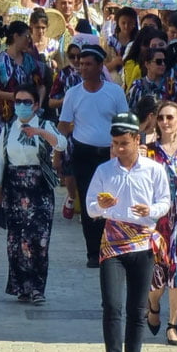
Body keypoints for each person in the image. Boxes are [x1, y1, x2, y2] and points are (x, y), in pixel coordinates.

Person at [86, 112, 170, 352]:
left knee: (137, 308)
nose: (119, 149)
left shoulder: (154, 170)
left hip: (142, 242)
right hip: (112, 243)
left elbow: (165, 202)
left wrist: (152, 210)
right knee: (111, 305)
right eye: (115, 144)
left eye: (124, 143)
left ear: (136, 139)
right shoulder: (104, 170)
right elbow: (90, 207)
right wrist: (102, 207)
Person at [0, 85, 66, 305]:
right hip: (14, 187)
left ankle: (37, 287)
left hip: (39, 188)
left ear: (36, 105)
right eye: (18, 101)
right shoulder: (7, 129)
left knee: (38, 240)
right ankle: (21, 286)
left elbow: (62, 143)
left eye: (26, 102)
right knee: (16, 240)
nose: (22, 106)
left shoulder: (45, 124)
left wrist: (40, 133)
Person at [58, 44, 130, 269]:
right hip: (83, 153)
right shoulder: (73, 94)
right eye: (81, 64)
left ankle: (113, 246)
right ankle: (93, 252)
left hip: (110, 154)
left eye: (89, 64)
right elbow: (62, 126)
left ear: (100, 66)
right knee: (91, 202)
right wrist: (58, 154)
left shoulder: (114, 92)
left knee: (113, 199)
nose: (83, 68)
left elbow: (124, 122)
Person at [144, 101, 177, 346]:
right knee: (157, 275)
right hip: (156, 220)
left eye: (170, 118)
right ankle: (153, 305)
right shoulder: (148, 151)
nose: (166, 122)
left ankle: (173, 325)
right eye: (162, 117)